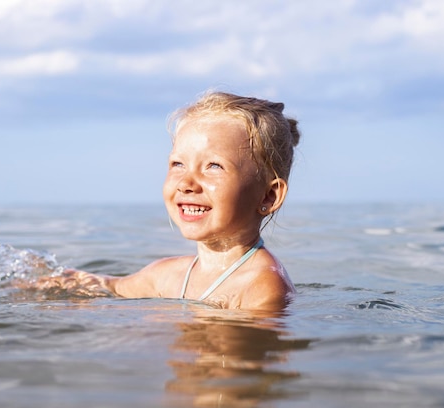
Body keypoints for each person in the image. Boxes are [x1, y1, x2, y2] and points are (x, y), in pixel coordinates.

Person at [17, 91, 301, 310]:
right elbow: (111, 288)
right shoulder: (167, 274)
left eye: (213, 166)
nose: (187, 184)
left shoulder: (262, 287)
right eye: (178, 164)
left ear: (269, 195)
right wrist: (57, 282)